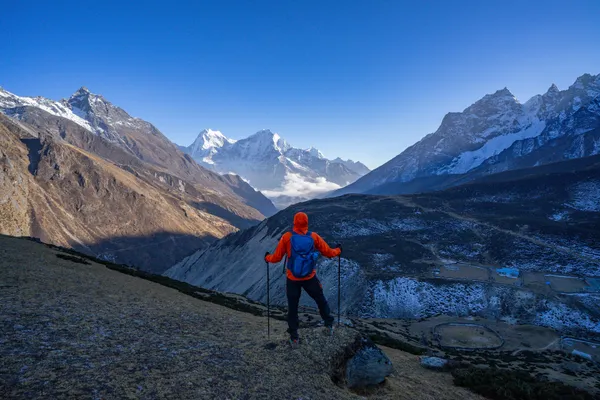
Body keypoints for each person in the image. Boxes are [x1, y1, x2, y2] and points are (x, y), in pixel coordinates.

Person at [265, 212, 341, 346]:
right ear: (306, 223)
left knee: (293, 307)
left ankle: (294, 337)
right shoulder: (313, 237)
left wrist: (267, 258)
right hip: (309, 277)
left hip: (292, 279)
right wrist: (338, 250)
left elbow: (276, 258)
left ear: (294, 222)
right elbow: (328, 252)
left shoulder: (287, 237)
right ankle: (329, 324)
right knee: (320, 300)